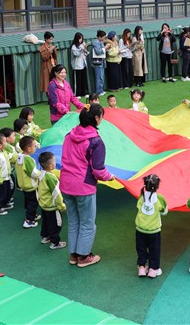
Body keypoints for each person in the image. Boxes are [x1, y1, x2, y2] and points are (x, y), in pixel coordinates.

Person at [60, 104, 115, 267]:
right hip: (83, 186)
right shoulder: (95, 141)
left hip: (66, 183)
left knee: (74, 220)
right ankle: (84, 256)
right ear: (97, 118)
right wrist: (109, 177)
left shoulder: (69, 135)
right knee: (87, 223)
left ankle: (74, 255)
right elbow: (98, 170)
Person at [135, 174, 168, 278]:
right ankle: (153, 269)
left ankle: (141, 268)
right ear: (157, 186)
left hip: (140, 229)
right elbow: (164, 211)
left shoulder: (141, 196)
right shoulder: (159, 198)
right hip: (154, 231)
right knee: (154, 250)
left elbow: (139, 208)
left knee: (141, 249)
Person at [37, 152, 67, 250]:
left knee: (46, 222)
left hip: (44, 205)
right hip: (52, 206)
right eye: (54, 161)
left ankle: (45, 237)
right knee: (56, 224)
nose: (55, 163)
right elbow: (56, 194)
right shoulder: (51, 177)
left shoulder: (41, 174)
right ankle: (55, 243)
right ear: (50, 166)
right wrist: (62, 206)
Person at [16, 136, 41, 229]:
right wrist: (41, 174)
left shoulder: (20, 156)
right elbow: (33, 173)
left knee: (28, 201)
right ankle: (29, 220)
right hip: (30, 185)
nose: (36, 147)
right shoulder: (28, 159)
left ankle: (32, 215)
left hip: (23, 184)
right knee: (33, 202)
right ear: (29, 149)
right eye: (34, 146)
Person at [70, 32, 89, 97]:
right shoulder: (73, 46)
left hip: (83, 64)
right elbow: (76, 54)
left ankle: (85, 93)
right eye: (80, 38)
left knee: (84, 79)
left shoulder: (81, 45)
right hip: (77, 66)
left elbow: (86, 54)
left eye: (81, 38)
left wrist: (85, 50)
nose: (81, 40)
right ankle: (77, 94)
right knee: (78, 80)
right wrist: (82, 49)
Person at [92, 30, 109, 96]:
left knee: (101, 77)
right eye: (103, 37)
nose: (104, 38)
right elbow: (98, 52)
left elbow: (103, 50)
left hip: (102, 61)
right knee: (98, 77)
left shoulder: (101, 42)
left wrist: (106, 48)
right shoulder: (95, 42)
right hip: (97, 62)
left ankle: (101, 90)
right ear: (99, 37)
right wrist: (105, 48)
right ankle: (98, 92)